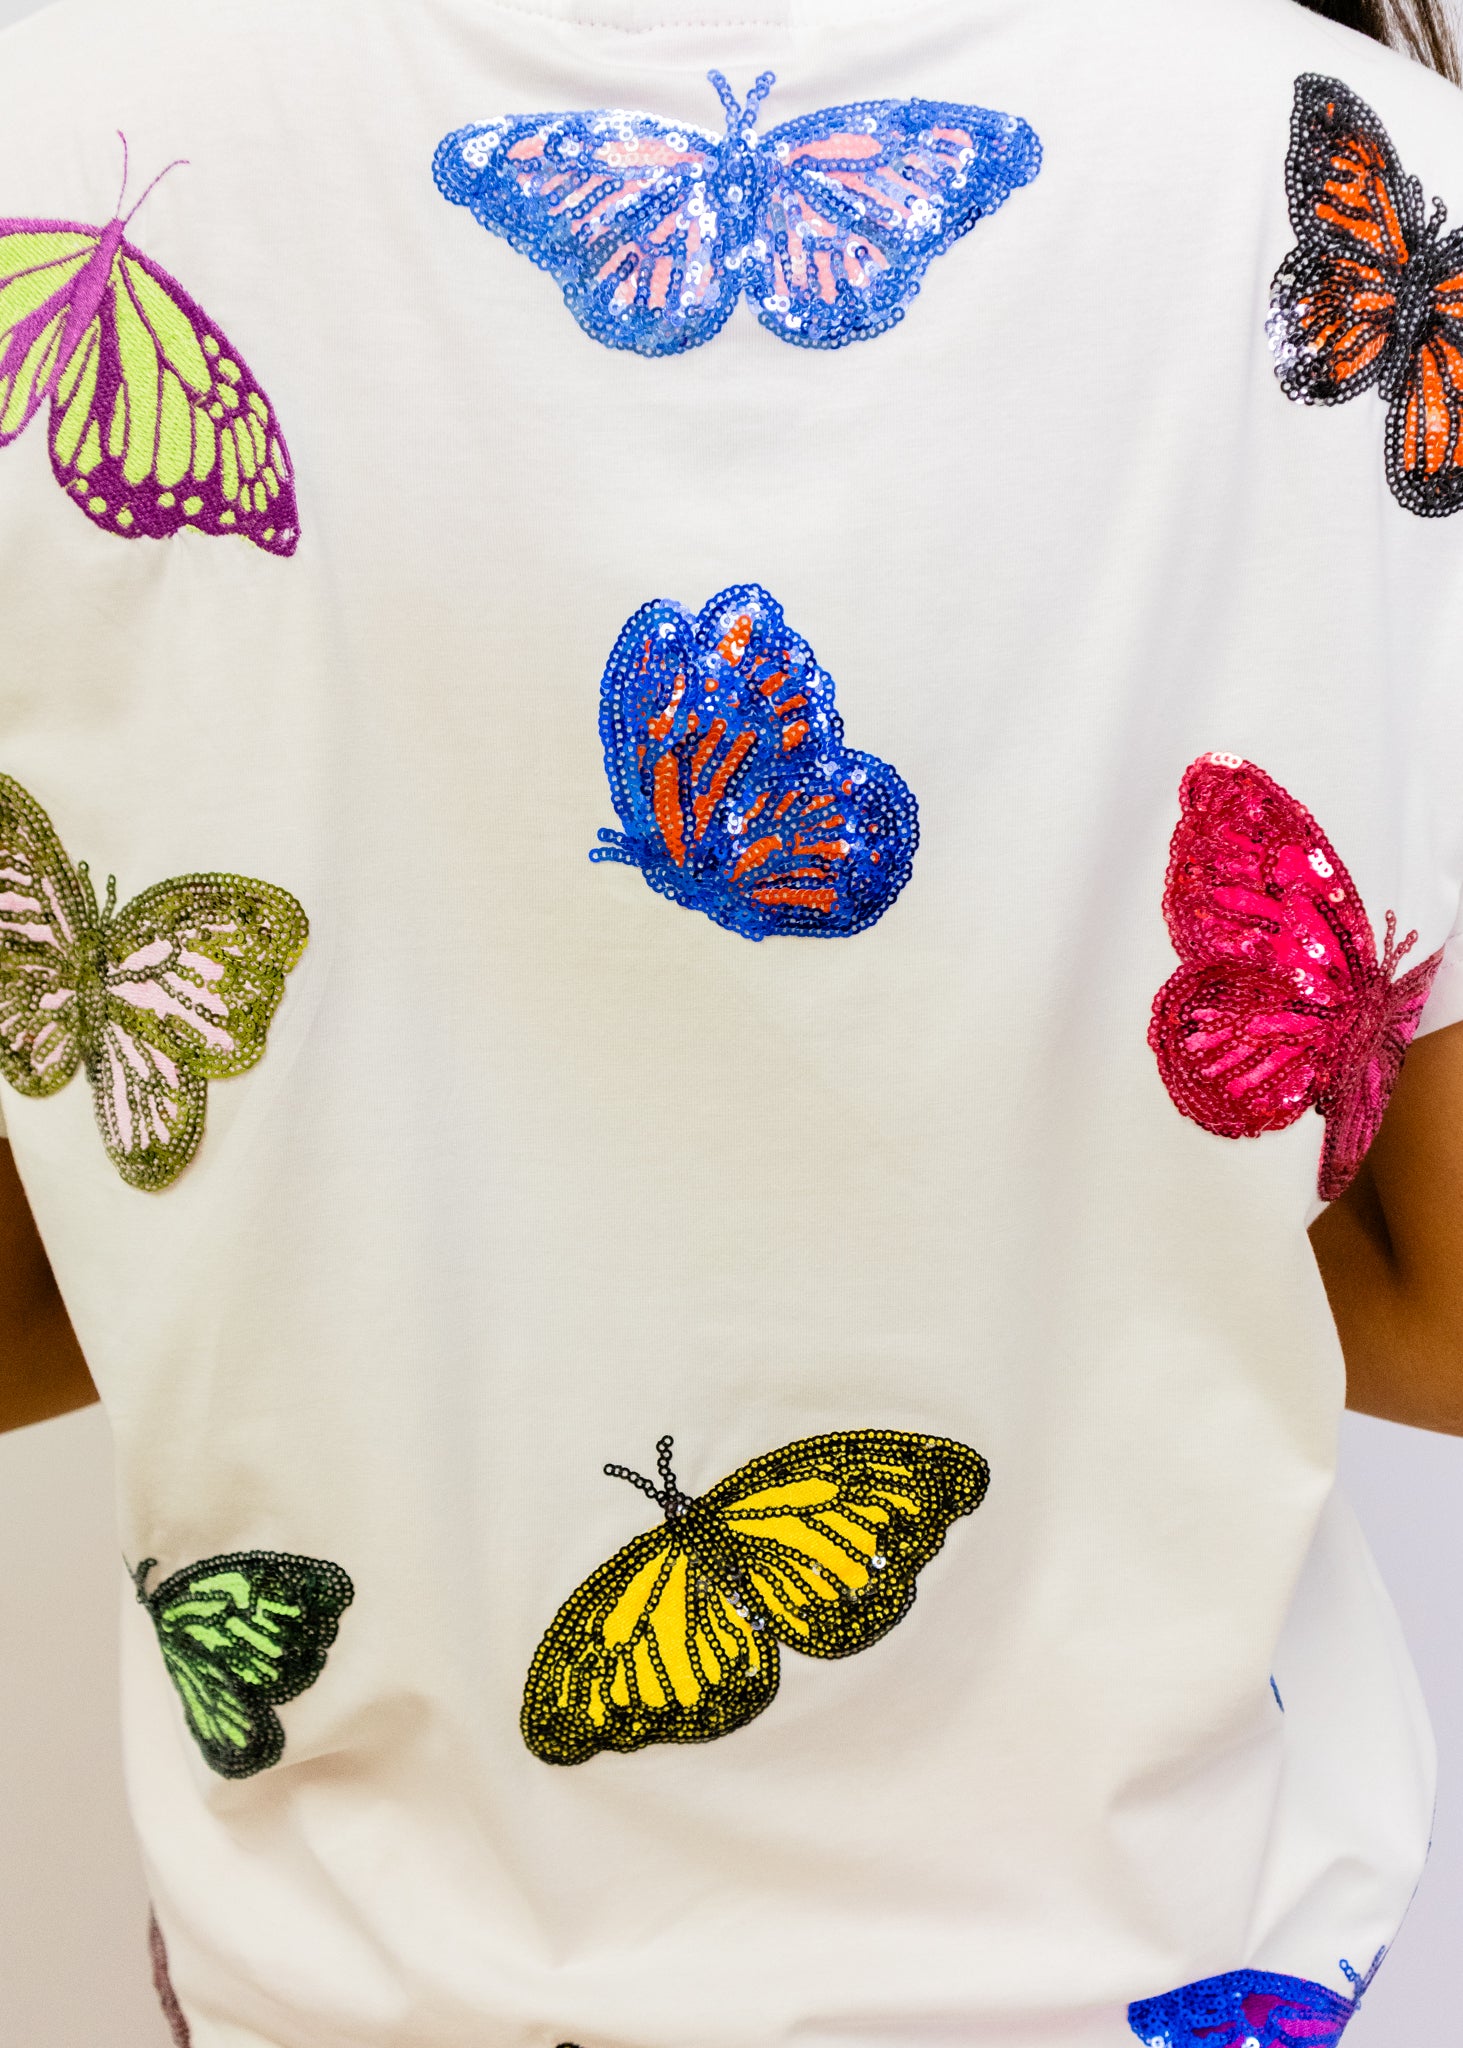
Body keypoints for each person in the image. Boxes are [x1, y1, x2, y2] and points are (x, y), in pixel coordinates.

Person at [3, 0, 1463, 2043]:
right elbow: (1449, 1301)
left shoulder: (41, 147)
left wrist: (341, 1222)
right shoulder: (1380, 174)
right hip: (1159, 1965)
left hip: (359, 1992)